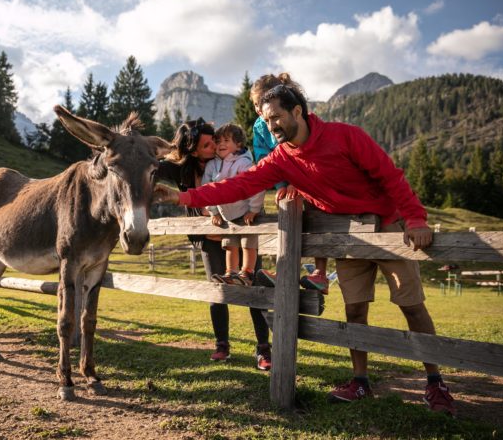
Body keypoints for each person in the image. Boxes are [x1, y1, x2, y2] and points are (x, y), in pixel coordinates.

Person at [155, 75, 456, 416]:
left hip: (387, 222)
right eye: (266, 122)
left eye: (276, 118)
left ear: (297, 111)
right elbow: (238, 185)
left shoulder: (346, 136)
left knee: (411, 305)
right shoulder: (282, 158)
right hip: (348, 234)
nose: (271, 127)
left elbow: (390, 175)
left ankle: (435, 383)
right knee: (355, 309)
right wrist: (184, 197)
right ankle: (360, 381)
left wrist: (415, 218)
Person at [157, 118, 272, 370]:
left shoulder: (231, 161)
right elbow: (155, 168)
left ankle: (264, 348)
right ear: (193, 150)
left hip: (241, 233)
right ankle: (222, 344)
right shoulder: (184, 169)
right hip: (210, 239)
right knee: (217, 290)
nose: (215, 146)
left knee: (256, 289)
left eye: (217, 141)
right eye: (208, 144)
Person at [250, 74, 329, 293]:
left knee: (316, 220)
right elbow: (264, 157)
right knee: (286, 220)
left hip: (311, 180)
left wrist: (300, 183)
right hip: (286, 181)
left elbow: (307, 152)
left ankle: (320, 274)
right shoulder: (259, 126)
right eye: (255, 104)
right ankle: (285, 269)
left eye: (261, 102)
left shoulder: (298, 117)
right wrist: (281, 185)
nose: (258, 109)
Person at [202, 123, 265, 286]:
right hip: (226, 216)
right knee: (230, 245)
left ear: (238, 144)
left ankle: (247, 273)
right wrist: (214, 211)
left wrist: (254, 209)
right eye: (219, 141)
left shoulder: (243, 163)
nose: (221, 144)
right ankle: (231, 273)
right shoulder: (212, 165)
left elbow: (255, 186)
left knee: (248, 244)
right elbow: (207, 189)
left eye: (226, 140)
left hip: (246, 213)